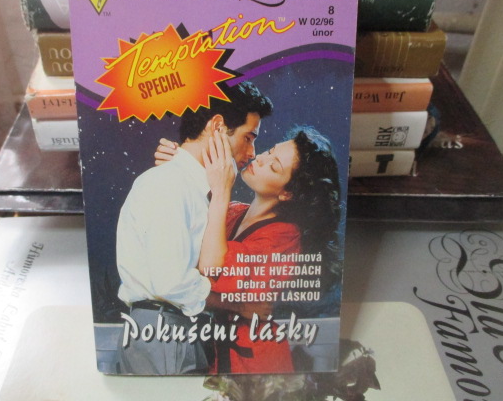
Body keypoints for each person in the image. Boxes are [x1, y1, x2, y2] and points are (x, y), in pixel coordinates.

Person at [115, 81, 273, 375]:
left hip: (172, 330)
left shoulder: (191, 188)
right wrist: (239, 306)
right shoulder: (170, 184)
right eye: (248, 137)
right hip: (164, 332)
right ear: (217, 126)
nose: (252, 152)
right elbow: (171, 283)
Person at [157, 125, 342, 374]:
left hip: (255, 360)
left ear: (287, 193)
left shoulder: (284, 236)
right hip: (213, 350)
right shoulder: (232, 211)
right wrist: (176, 165)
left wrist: (221, 190)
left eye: (274, 166)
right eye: (270, 151)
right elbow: (180, 258)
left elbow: (211, 269)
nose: (260, 158)